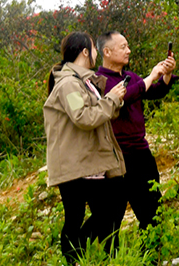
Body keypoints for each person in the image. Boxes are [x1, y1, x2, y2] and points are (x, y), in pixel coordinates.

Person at [44, 31, 127, 265]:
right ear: (84, 52)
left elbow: (95, 113)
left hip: (87, 164)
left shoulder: (84, 81)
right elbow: (83, 116)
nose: (96, 53)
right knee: (76, 218)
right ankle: (73, 258)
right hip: (75, 167)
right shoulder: (68, 85)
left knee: (103, 214)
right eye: (93, 48)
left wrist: (113, 99)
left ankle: (83, 257)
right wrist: (110, 98)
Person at [95, 31, 176, 234]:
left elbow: (154, 91)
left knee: (152, 207)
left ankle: (151, 255)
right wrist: (150, 77)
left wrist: (165, 73)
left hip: (141, 152)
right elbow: (125, 98)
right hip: (117, 156)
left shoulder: (131, 77)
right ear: (107, 51)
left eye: (128, 46)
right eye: (123, 47)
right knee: (112, 215)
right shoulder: (99, 81)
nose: (128, 51)